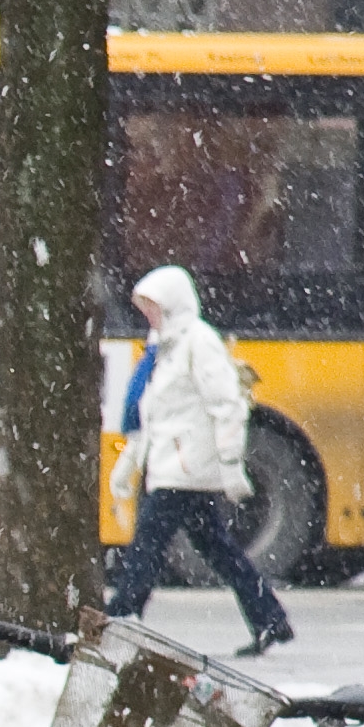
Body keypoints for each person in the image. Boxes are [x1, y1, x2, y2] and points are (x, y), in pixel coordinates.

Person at [105, 265, 294, 656]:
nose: (148, 315)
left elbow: (227, 404)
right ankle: (269, 619)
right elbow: (153, 416)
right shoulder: (164, 348)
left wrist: (229, 464)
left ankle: (123, 616)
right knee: (217, 549)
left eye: (154, 306)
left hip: (187, 468)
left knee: (147, 544)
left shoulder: (197, 342)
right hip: (177, 466)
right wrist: (129, 464)